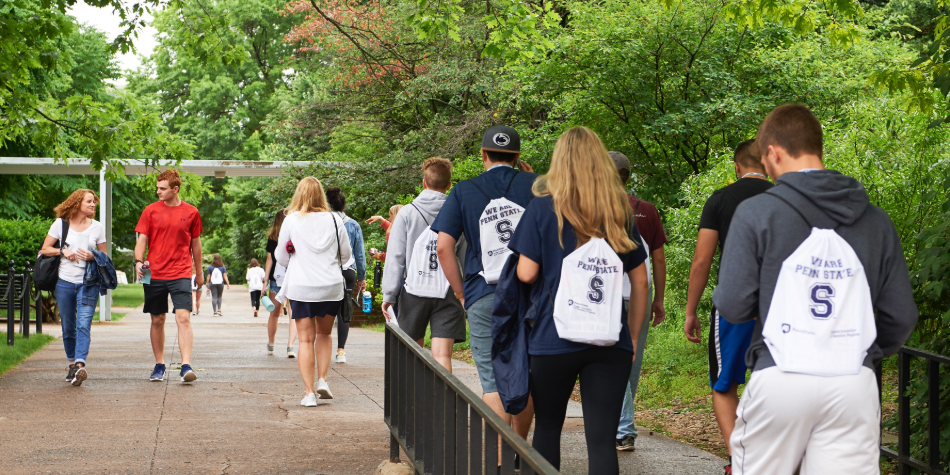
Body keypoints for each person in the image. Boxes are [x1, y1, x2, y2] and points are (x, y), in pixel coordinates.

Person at [713, 104, 918, 475]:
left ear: (773, 153)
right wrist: (858, 348)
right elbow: (901, 315)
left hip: (780, 374)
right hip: (852, 381)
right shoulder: (875, 220)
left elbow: (732, 304)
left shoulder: (758, 213)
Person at [507, 127, 649, 473]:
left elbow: (525, 274)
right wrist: (629, 338)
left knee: (548, 429)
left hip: (551, 338)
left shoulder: (542, 210)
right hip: (608, 340)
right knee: (601, 440)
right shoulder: (619, 214)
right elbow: (641, 282)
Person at [432, 125, 538, 441]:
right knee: (526, 374)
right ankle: (520, 450)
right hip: (530, 294)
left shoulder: (464, 190)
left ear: (483, 155)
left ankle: (501, 459)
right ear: (518, 156)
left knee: (492, 379)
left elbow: (443, 246)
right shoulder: (536, 185)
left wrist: (461, 292)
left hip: (483, 293)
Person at [683, 139, 773, 472]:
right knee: (777, 380)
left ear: (736, 167)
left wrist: (691, 311)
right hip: (779, 306)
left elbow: (702, 260)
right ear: (767, 162)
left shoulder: (721, 199)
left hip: (735, 305)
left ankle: (740, 461)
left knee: (724, 383)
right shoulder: (786, 199)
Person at [607, 151, 669, 452]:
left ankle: (623, 428)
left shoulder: (597, 208)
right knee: (631, 362)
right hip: (640, 296)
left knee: (613, 362)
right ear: (628, 176)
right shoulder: (647, 210)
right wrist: (659, 298)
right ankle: (622, 424)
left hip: (608, 298)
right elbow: (658, 258)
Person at [382, 157, 466, 371]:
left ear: (424, 183)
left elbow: (396, 257)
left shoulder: (407, 213)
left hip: (414, 289)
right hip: (449, 289)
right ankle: (445, 402)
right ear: (449, 185)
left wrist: (389, 295)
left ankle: (414, 403)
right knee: (442, 354)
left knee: (412, 350)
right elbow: (464, 254)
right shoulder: (458, 212)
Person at [275, 176, 351, 407]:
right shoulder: (336, 220)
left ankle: (309, 394)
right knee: (325, 335)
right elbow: (346, 256)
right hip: (330, 287)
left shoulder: (291, 220)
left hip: (302, 287)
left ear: (299, 194)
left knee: (306, 340)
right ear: (321, 196)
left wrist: (295, 255)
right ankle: (323, 381)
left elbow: (281, 257)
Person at [134, 169, 203, 383]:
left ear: (175, 189)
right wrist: (137, 261)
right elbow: (141, 240)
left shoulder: (192, 212)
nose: (158, 192)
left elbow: (196, 245)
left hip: (181, 272)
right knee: (157, 319)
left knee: (183, 317)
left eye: (162, 189)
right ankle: (159, 365)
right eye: (157, 187)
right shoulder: (150, 211)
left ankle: (185, 366)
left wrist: (198, 273)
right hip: (152, 272)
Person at [39, 189, 108, 387]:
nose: (93, 204)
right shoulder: (61, 224)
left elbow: (104, 257)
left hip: (89, 283)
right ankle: (72, 364)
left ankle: (79, 365)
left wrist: (92, 256)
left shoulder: (97, 227)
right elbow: (45, 249)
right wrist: (63, 251)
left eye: (94, 202)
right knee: (68, 327)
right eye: (89, 201)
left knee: (83, 324)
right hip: (65, 283)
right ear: (77, 203)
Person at [325, 187, 367, 364]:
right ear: (343, 206)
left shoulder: (322, 223)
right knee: (345, 311)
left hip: (327, 271)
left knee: (325, 311)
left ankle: (322, 347)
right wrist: (361, 276)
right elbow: (359, 254)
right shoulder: (353, 224)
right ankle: (341, 351)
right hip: (347, 271)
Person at [264, 210, 297, 358]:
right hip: (294, 276)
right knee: (293, 314)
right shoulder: (294, 236)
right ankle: (290, 346)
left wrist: (265, 281)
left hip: (276, 278)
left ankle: (271, 344)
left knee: (274, 313)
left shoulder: (272, 238)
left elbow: (270, 259)